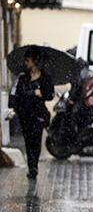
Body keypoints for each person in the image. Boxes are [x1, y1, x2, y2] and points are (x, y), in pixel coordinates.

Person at [9, 47, 54, 180]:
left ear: (34, 61)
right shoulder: (23, 77)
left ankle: (34, 165)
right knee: (28, 141)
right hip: (25, 114)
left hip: (38, 113)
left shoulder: (45, 77)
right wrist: (14, 107)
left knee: (36, 141)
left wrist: (42, 94)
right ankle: (32, 166)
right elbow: (17, 94)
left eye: (28, 60)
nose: (25, 63)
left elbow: (50, 95)